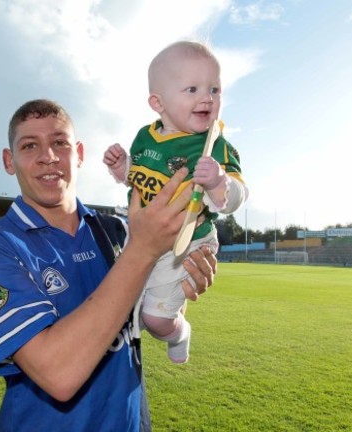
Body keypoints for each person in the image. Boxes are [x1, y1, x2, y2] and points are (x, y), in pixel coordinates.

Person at [0, 99, 217, 432]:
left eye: (60, 143)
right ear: (10, 161)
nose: (47, 156)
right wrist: (142, 251)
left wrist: (182, 282)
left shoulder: (118, 231)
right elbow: (57, 373)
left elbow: (145, 321)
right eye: (29, 145)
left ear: (78, 153)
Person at [103, 40, 249, 364]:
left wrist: (219, 182)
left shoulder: (215, 147)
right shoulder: (144, 136)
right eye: (192, 89)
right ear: (158, 102)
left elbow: (236, 197)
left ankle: (179, 331)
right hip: (143, 237)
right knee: (128, 308)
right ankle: (165, 314)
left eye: (215, 89)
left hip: (188, 242)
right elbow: (141, 180)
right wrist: (122, 168)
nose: (207, 98)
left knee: (155, 320)